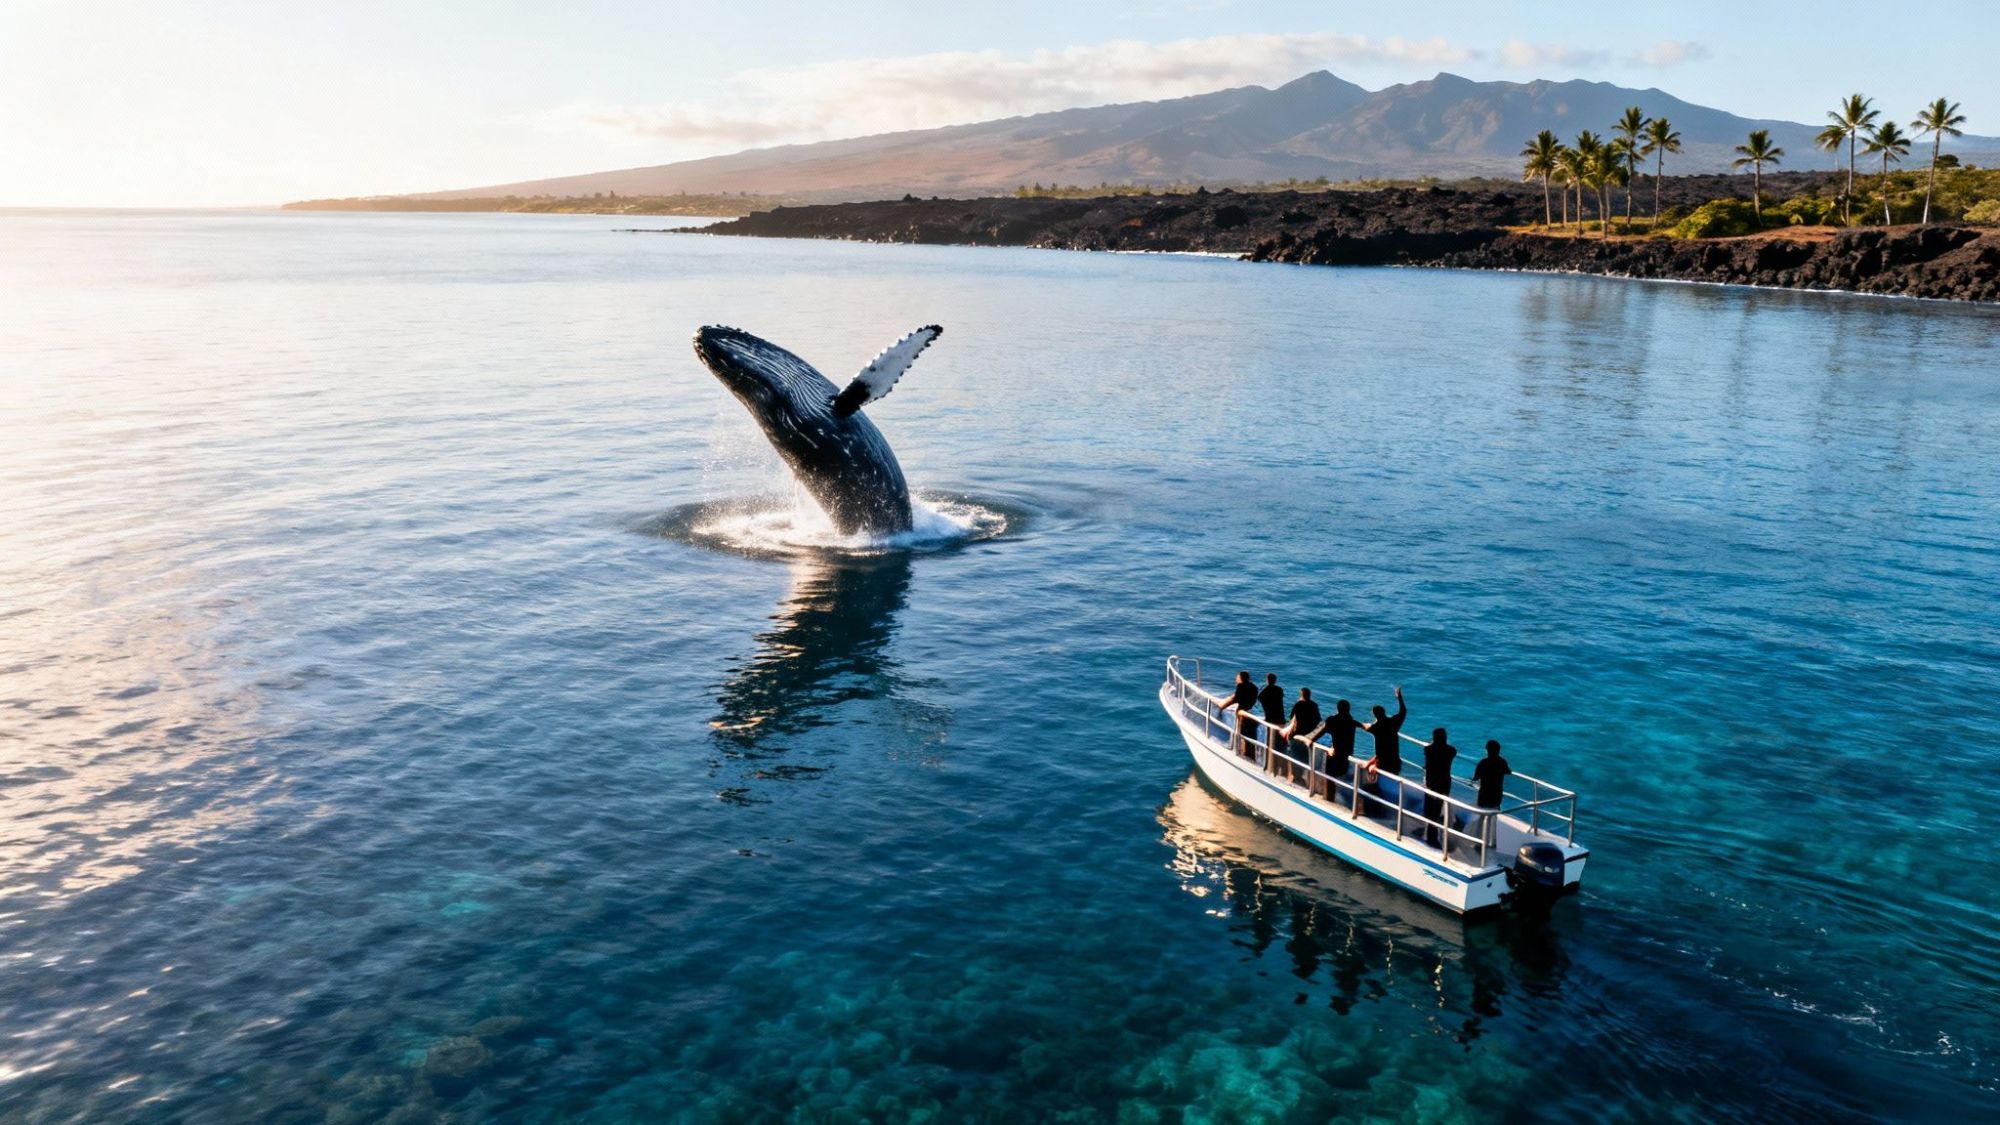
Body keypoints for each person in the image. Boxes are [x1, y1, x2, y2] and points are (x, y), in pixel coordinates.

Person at [1357, 686, 1406, 817]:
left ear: (1374, 715)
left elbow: (1364, 726)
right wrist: (1399, 698)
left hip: (1383, 763)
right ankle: (1389, 806)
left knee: (1371, 780)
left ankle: (1374, 809)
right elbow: (1403, 711)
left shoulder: (1375, 727)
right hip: (1395, 762)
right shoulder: (1394, 722)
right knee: (1385, 779)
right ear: (1384, 712)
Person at [1306, 699, 1363, 807]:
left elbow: (1321, 731)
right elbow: (1360, 725)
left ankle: (1329, 801)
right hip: (1347, 755)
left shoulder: (1333, 720)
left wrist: (1311, 740)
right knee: (1340, 776)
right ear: (1348, 709)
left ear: (1338, 708)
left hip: (1335, 753)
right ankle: (1346, 802)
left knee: (1330, 778)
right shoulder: (1351, 721)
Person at [1421, 728, 1457, 849]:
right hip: (1444, 784)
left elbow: (1428, 749)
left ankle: (1430, 834)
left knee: (1429, 808)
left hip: (1431, 782)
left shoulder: (1428, 749)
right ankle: (1433, 833)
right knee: (1437, 809)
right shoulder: (1451, 751)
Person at [1472, 739, 1512, 851]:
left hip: (1484, 794)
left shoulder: (1483, 763)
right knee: (1494, 819)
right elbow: (1508, 771)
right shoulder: (1502, 762)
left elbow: (1476, 777)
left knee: (1481, 818)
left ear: (1487, 750)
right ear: (1498, 750)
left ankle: (1478, 842)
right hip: (1496, 794)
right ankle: (1492, 842)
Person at [1282, 687, 1322, 791]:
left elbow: (1292, 717)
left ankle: (1294, 778)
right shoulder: (1314, 705)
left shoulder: (1299, 704)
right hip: (1308, 735)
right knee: (1304, 757)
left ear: (1302, 695)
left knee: (1293, 755)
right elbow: (1318, 719)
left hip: (1297, 734)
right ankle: (1302, 778)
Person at [1216, 671, 1259, 759]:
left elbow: (1236, 698)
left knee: (1243, 737)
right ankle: (1252, 757)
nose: (1236, 679)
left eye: (1237, 677)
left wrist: (1222, 706)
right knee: (1251, 738)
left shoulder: (1241, 686)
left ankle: (1244, 757)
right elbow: (1239, 696)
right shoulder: (1254, 687)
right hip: (1250, 713)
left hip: (1242, 714)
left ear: (1241, 678)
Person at [1257, 674, 1287, 775]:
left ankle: (1271, 767)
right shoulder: (1279, 689)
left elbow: (1260, 698)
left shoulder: (1265, 690)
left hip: (1271, 719)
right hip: (1281, 719)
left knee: (1271, 742)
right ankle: (1281, 768)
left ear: (1267, 680)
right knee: (1281, 744)